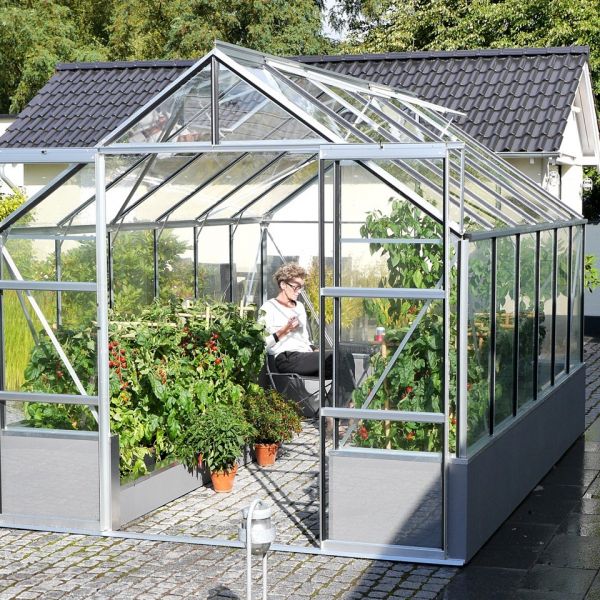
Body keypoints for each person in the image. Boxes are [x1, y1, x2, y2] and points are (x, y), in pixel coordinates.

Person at [259, 263, 354, 403]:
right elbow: (261, 344)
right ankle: (336, 409)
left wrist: (315, 349)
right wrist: (285, 330)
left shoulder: (300, 307)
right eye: (295, 286)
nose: (299, 291)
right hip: (286, 357)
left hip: (304, 356)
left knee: (345, 358)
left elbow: (305, 340)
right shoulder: (269, 308)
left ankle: (336, 407)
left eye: (301, 287)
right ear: (283, 285)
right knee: (340, 358)